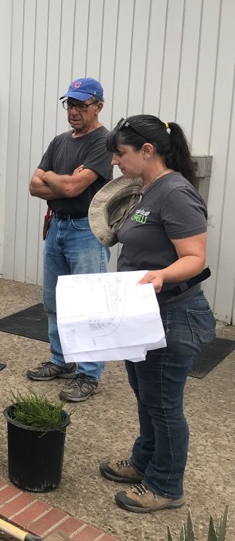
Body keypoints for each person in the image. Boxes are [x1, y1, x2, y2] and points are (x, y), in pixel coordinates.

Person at [99, 115, 215, 513]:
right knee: (146, 394)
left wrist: (162, 275)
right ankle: (143, 461)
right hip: (143, 314)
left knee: (163, 402)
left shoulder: (176, 193)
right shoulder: (147, 189)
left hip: (173, 316)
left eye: (122, 153)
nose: (115, 161)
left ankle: (166, 485)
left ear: (148, 151)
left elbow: (195, 259)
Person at [27, 78, 113, 402]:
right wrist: (57, 180)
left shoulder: (103, 143)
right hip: (58, 227)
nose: (73, 111)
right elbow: (34, 185)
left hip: (86, 231)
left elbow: (75, 189)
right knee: (54, 301)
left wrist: (51, 178)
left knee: (90, 306)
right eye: (70, 104)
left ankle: (88, 374)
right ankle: (61, 361)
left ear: (98, 107)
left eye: (81, 105)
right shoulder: (60, 141)